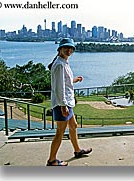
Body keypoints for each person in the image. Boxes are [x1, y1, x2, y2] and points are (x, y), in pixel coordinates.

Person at [46, 38, 92, 166]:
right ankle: (52, 161)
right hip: (63, 104)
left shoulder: (63, 62)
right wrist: (63, 105)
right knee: (60, 132)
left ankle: (77, 150)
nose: (69, 50)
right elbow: (58, 87)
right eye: (66, 48)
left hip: (67, 103)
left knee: (73, 126)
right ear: (60, 49)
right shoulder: (60, 64)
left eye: (71, 48)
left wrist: (74, 80)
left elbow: (64, 82)